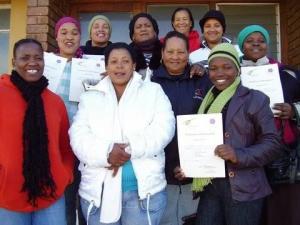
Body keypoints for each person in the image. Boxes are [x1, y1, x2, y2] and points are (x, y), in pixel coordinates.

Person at [69, 42, 175, 225]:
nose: (119, 66)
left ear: (134, 65)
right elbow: (78, 136)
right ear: (106, 66)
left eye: (125, 61)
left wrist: (131, 149)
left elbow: (164, 128)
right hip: (98, 193)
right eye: (114, 61)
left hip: (143, 193)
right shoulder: (90, 97)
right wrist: (106, 153)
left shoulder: (153, 91)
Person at [175, 43, 281, 225]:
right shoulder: (205, 101)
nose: (219, 73)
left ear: (238, 70)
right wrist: (189, 167)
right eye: (214, 68)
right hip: (210, 185)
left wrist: (238, 154)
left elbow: (272, 143)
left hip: (244, 186)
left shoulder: (255, 99)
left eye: (227, 67)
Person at [0, 38, 74, 225]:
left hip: (51, 195)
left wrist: (65, 175)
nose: (32, 62)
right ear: (13, 62)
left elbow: (65, 147)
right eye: (25, 57)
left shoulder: (55, 102)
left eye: (38, 58)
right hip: (7, 196)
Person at [237, 24, 300, 225]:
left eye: (261, 40)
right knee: (251, 210)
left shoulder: (287, 73)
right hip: (245, 150)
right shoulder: (232, 72)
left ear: (267, 45)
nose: (256, 43)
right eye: (250, 40)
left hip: (281, 151)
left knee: (282, 211)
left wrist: (294, 110)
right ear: (241, 45)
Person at [151, 31, 211, 225]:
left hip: (195, 174)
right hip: (159, 173)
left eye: (181, 52)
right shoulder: (150, 83)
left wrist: (194, 165)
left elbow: (214, 124)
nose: (175, 57)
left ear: (188, 54)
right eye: (170, 51)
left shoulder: (202, 80)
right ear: (162, 53)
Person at [54, 16, 85, 225]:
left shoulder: (88, 66)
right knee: (62, 197)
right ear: (56, 37)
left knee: (84, 195)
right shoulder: (45, 64)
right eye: (64, 32)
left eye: (74, 33)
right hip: (55, 143)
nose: (69, 37)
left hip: (82, 142)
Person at [129, 12, 204, 81]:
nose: (143, 29)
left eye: (147, 26)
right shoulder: (126, 53)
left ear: (155, 32)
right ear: (133, 35)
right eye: (138, 27)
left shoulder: (168, 49)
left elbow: (186, 64)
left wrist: (196, 67)